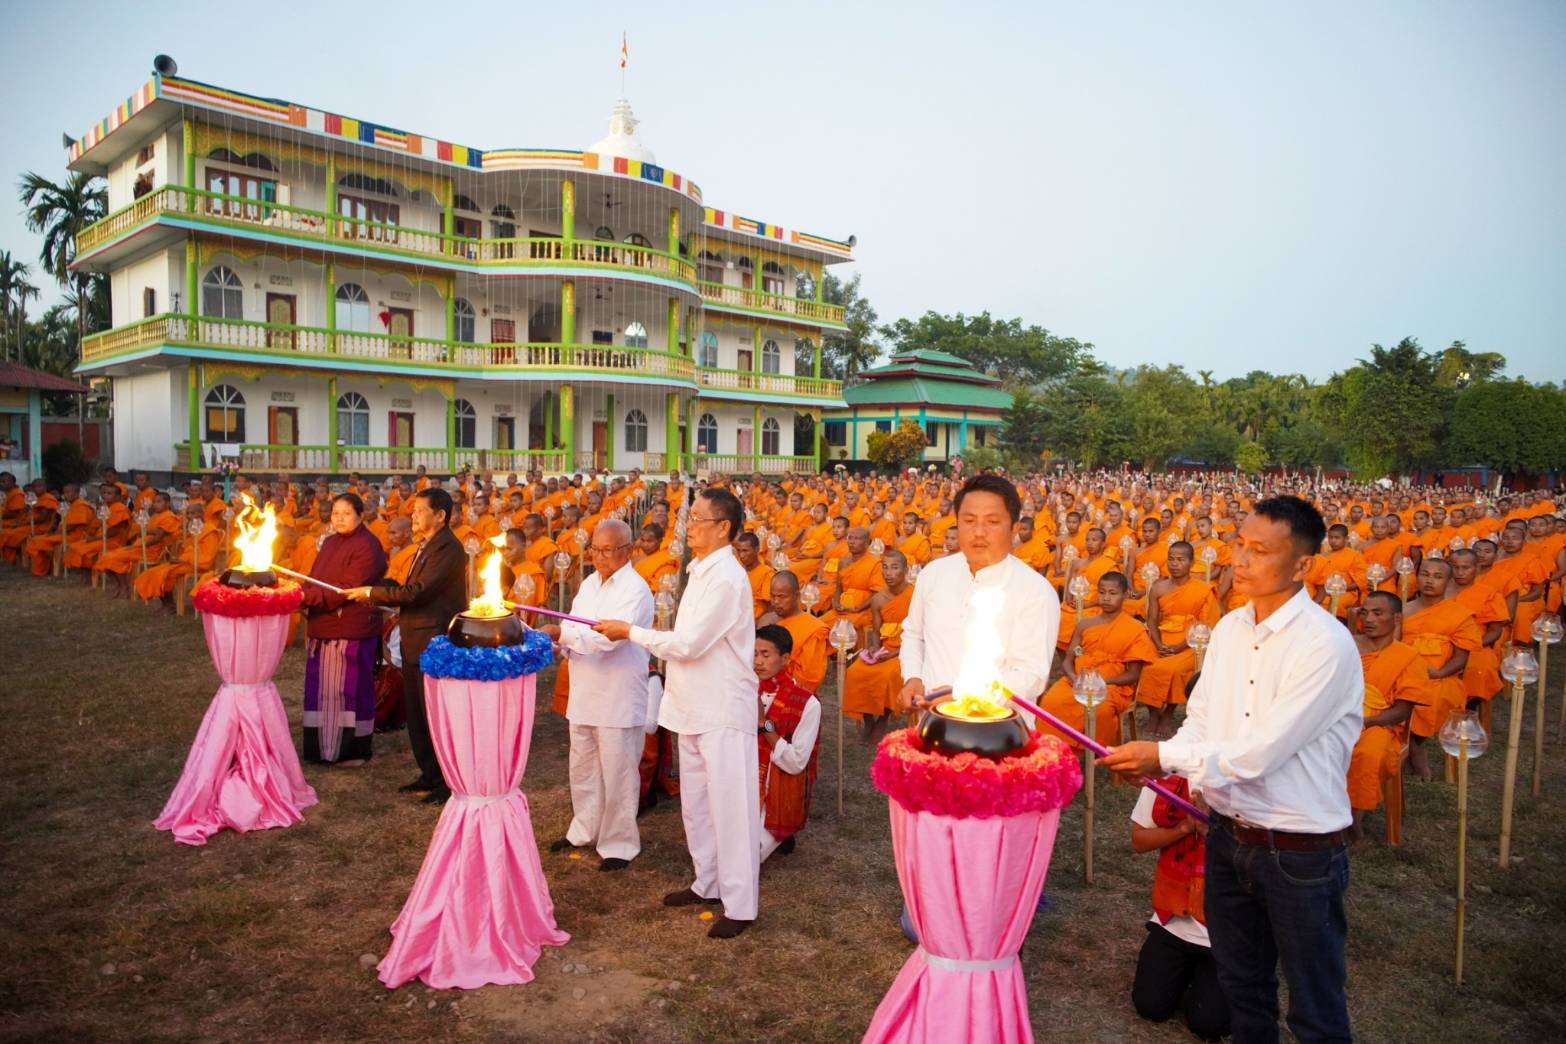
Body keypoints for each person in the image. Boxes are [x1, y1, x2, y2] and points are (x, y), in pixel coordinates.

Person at [1102, 495, 1361, 1044]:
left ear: (1302, 566)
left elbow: (1261, 752)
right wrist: (1159, 758)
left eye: (1260, 551)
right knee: (1245, 991)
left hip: (1297, 848)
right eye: (1239, 544)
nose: (1239, 560)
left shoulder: (1325, 645)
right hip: (1226, 835)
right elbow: (1202, 722)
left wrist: (1163, 756)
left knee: (1314, 1006)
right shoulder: (1228, 630)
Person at [594, 487, 761, 939]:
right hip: (692, 703)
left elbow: (688, 644)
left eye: (699, 519)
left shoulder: (727, 577)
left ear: (724, 528)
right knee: (698, 804)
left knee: (731, 807)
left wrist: (631, 631)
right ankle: (707, 881)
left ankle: (741, 903)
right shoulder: (702, 570)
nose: (690, 526)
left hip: (723, 704)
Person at [898, 474, 1059, 721]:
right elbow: (914, 635)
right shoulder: (933, 574)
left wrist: (963, 698)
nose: (979, 532)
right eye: (969, 521)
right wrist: (913, 677)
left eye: (993, 521)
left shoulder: (1035, 591)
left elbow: (1030, 675)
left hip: (999, 732)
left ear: (1014, 528)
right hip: (932, 723)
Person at [541, 519, 654, 871]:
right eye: (595, 549)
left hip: (617, 693)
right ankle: (583, 829)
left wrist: (562, 633)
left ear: (628, 551)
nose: (599, 557)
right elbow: (576, 626)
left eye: (608, 550)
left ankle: (619, 843)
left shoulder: (636, 589)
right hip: (585, 690)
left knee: (618, 770)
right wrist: (564, 640)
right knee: (583, 765)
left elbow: (608, 638)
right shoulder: (590, 583)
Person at [345, 488, 467, 804]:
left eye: (420, 510)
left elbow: (417, 593)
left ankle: (446, 779)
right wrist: (379, 592)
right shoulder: (425, 546)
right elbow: (407, 590)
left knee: (434, 713)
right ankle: (429, 773)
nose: (413, 515)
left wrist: (373, 594)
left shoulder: (449, 548)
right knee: (416, 712)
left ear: (439, 515)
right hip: (415, 635)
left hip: (434, 638)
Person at [1130, 775, 1231, 1043]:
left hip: (1226, 932)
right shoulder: (1169, 776)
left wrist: (1216, 831)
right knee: (1150, 1006)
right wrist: (1184, 827)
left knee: (1209, 1024)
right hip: (1173, 918)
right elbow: (1139, 840)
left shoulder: (1248, 779)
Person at [299, 494, 388, 764]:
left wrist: (305, 598)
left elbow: (346, 589)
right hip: (324, 624)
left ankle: (349, 750)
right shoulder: (329, 542)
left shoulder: (367, 545)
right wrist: (303, 592)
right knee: (322, 689)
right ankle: (322, 749)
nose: (338, 518)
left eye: (345, 513)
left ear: (360, 515)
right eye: (335, 513)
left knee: (347, 689)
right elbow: (315, 578)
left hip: (349, 627)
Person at [1038, 571, 1158, 749]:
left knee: (1099, 709)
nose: (1106, 598)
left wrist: (1102, 682)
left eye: (1112, 593)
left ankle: (1092, 751)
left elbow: (1133, 674)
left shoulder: (1135, 629)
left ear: (1124, 595)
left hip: (1111, 686)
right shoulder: (1085, 624)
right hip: (1077, 680)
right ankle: (1056, 752)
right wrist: (1075, 679)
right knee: (1050, 701)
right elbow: (1067, 661)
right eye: (1102, 592)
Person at [1348, 592, 1431, 832]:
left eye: (1377, 613)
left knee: (1369, 753)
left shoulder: (1408, 657)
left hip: (1379, 725)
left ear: (1396, 618)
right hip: (1335, 717)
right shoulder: (1345, 644)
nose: (1369, 619)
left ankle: (1354, 819)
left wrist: (1365, 722)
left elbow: (1402, 710)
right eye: (1364, 613)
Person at [1135, 542, 1222, 739]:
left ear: (1191, 563)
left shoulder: (1203, 589)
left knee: (1174, 669)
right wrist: (1157, 644)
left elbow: (1206, 625)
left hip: (1191, 642)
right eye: (1171, 559)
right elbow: (1152, 619)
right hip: (1161, 637)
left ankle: (1168, 714)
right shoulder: (1158, 587)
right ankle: (1153, 713)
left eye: (1180, 560)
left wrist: (1179, 647)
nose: (1175, 564)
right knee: (1146, 665)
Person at [754, 624, 820, 861]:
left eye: (765, 654)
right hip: (741, 787)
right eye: (754, 653)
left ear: (784, 659)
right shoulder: (743, 691)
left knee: (744, 859)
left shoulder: (807, 703)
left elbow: (795, 762)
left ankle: (780, 830)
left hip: (776, 794)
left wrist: (764, 724)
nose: (758, 662)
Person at [841, 549, 915, 742]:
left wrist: (895, 653)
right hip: (884, 649)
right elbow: (876, 631)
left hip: (907, 649)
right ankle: (868, 719)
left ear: (905, 570)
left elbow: (920, 634)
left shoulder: (915, 596)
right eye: (884, 567)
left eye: (894, 568)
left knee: (887, 674)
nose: (888, 573)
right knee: (857, 671)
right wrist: (874, 648)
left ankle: (883, 718)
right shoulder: (878, 599)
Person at [756, 571, 830, 693]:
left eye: (782, 597)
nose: (776, 602)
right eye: (773, 596)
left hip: (792, 693)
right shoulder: (766, 620)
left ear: (797, 596)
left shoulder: (813, 629)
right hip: (760, 688)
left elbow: (810, 678)